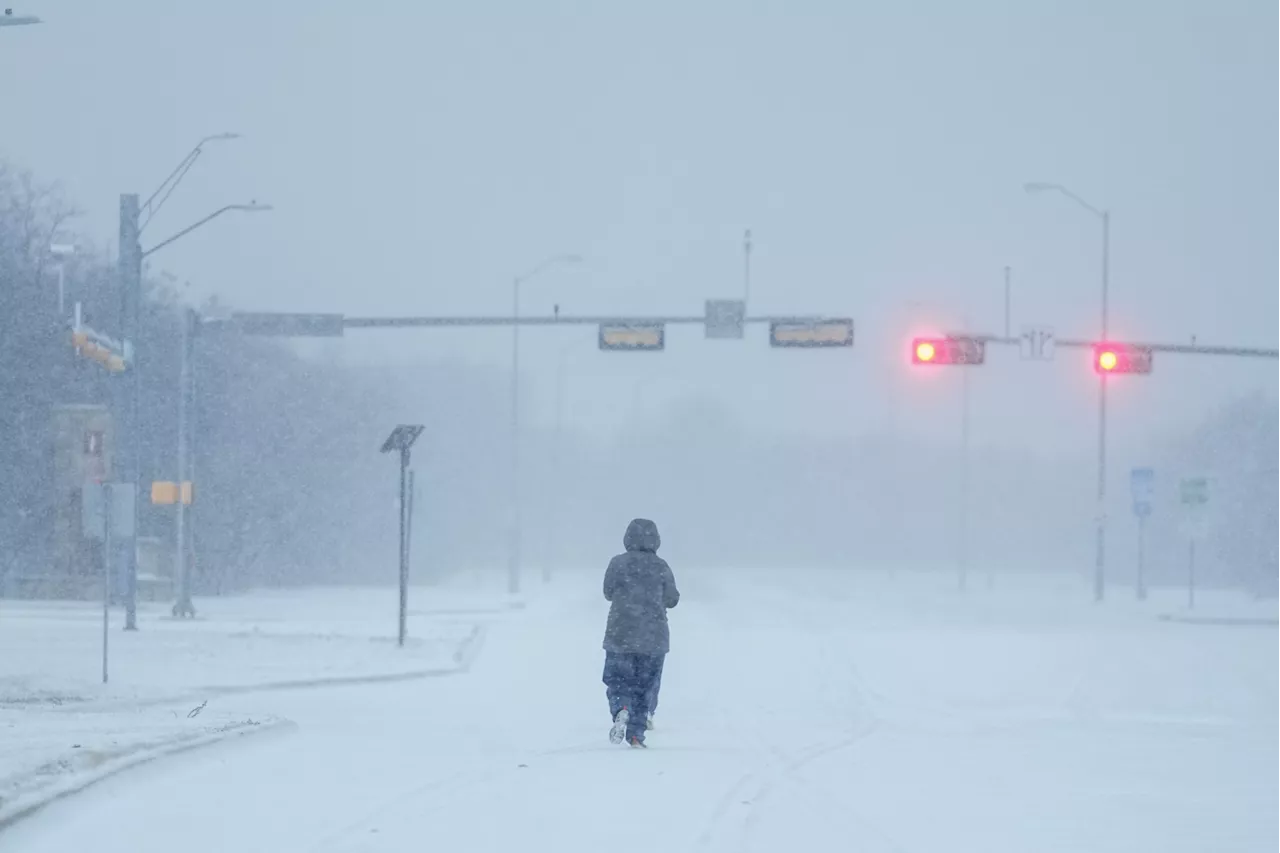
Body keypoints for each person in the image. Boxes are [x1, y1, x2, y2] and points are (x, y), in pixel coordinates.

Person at [602, 518, 679, 748]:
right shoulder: (661, 566)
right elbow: (672, 599)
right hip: (653, 638)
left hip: (620, 634)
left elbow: (607, 592)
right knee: (644, 685)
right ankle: (636, 734)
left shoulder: (617, 563)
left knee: (618, 680)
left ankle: (621, 708)